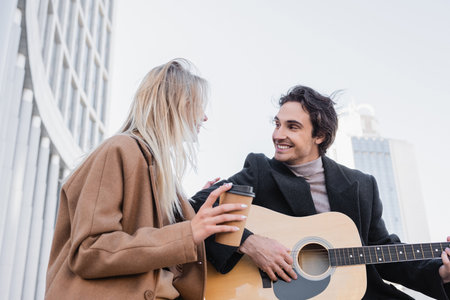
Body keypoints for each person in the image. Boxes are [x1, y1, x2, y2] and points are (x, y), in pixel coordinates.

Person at [191, 85, 450, 299]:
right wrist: (249, 242)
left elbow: (383, 252)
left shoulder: (361, 185)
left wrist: (441, 272)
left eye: (292, 127)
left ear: (320, 136)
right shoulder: (260, 171)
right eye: (277, 124)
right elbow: (200, 204)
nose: (278, 135)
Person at [44, 59, 248, 300]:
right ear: (178, 105)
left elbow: (151, 250)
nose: (204, 118)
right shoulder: (119, 150)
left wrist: (184, 211)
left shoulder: (156, 169)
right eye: (198, 106)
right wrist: (188, 231)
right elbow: (91, 250)